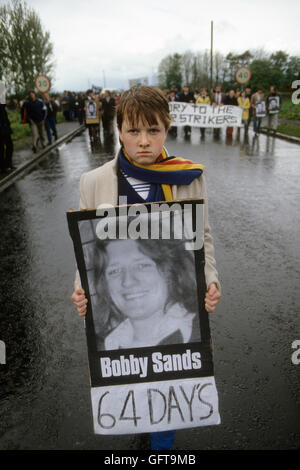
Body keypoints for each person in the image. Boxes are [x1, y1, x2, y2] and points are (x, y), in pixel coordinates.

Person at [71, 85, 221, 450]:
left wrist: (210, 278)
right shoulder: (94, 183)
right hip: (128, 315)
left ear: (166, 129)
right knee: (134, 388)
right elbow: (85, 251)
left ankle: (160, 445)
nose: (143, 141)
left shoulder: (189, 176)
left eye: (153, 131)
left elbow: (202, 237)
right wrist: (80, 287)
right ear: (118, 129)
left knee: (170, 394)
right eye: (134, 131)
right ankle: (143, 423)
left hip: (172, 304)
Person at [92, 237, 200, 351]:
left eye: (141, 266)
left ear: (170, 271)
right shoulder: (100, 347)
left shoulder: (205, 330)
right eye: (115, 271)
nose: (127, 282)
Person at [0, 102, 14, 172]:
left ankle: (8, 164)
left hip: (5, 128)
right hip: (1, 128)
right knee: (1, 148)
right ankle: (3, 167)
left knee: (10, 146)